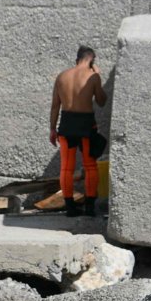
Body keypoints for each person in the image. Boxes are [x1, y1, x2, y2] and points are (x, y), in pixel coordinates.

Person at [50, 45, 109, 216]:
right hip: (86, 125)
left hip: (66, 124)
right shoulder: (93, 76)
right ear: (92, 61)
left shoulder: (62, 76)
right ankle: (89, 207)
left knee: (66, 168)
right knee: (90, 166)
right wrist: (98, 76)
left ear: (77, 60)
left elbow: (55, 106)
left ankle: (70, 207)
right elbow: (101, 101)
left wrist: (52, 129)